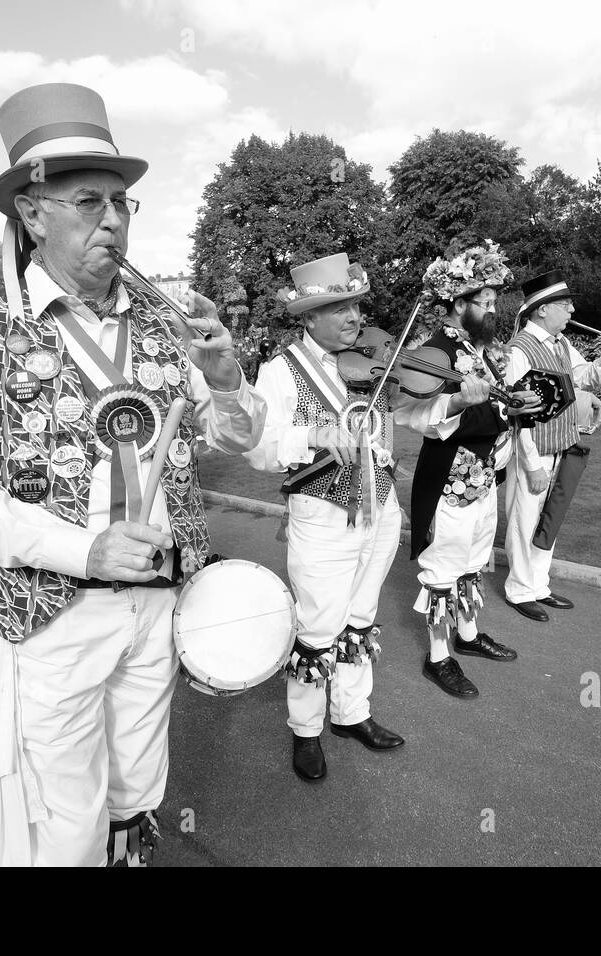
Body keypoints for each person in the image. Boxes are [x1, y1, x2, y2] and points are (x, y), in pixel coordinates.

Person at [0, 82, 266, 868]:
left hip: (157, 605)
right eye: (87, 201)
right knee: (61, 820)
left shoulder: (168, 329)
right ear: (32, 214)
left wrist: (226, 375)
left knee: (136, 789)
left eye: (122, 202)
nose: (113, 219)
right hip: (52, 620)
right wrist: (85, 551)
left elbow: (240, 441)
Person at [243, 252, 405, 783]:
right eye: (339, 308)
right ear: (309, 317)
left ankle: (351, 714)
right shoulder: (280, 370)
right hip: (323, 513)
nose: (355, 317)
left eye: (357, 305)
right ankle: (306, 729)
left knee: (361, 614)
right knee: (318, 624)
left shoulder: (371, 364)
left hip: (379, 507)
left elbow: (408, 416)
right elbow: (257, 447)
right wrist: (311, 435)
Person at [395, 241, 540, 699]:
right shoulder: (433, 353)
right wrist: (457, 400)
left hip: (483, 477)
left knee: (474, 562)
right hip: (450, 481)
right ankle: (438, 658)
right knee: (443, 568)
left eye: (494, 301)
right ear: (458, 304)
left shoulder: (479, 351)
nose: (493, 309)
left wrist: (516, 406)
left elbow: (494, 408)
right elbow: (412, 414)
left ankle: (469, 635)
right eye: (485, 302)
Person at [502, 272, 601, 622]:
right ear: (541, 311)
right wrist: (531, 464)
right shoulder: (518, 351)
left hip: (562, 445)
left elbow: (585, 377)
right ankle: (519, 589)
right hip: (534, 450)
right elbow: (516, 413)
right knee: (525, 520)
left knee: (548, 518)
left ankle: (538, 585)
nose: (571, 309)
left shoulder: (560, 344)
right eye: (563, 304)